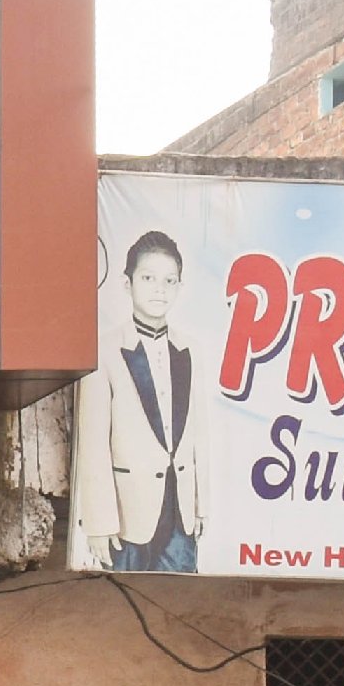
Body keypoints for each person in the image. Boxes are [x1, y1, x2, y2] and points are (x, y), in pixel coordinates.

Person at [100, 228, 207, 573]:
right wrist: (101, 521)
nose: (159, 288)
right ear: (127, 283)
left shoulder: (190, 349)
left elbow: (199, 432)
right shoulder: (105, 349)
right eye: (148, 277)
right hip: (128, 513)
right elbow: (94, 443)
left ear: (179, 286)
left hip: (180, 513)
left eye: (169, 280)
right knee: (123, 609)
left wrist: (200, 505)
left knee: (181, 607)